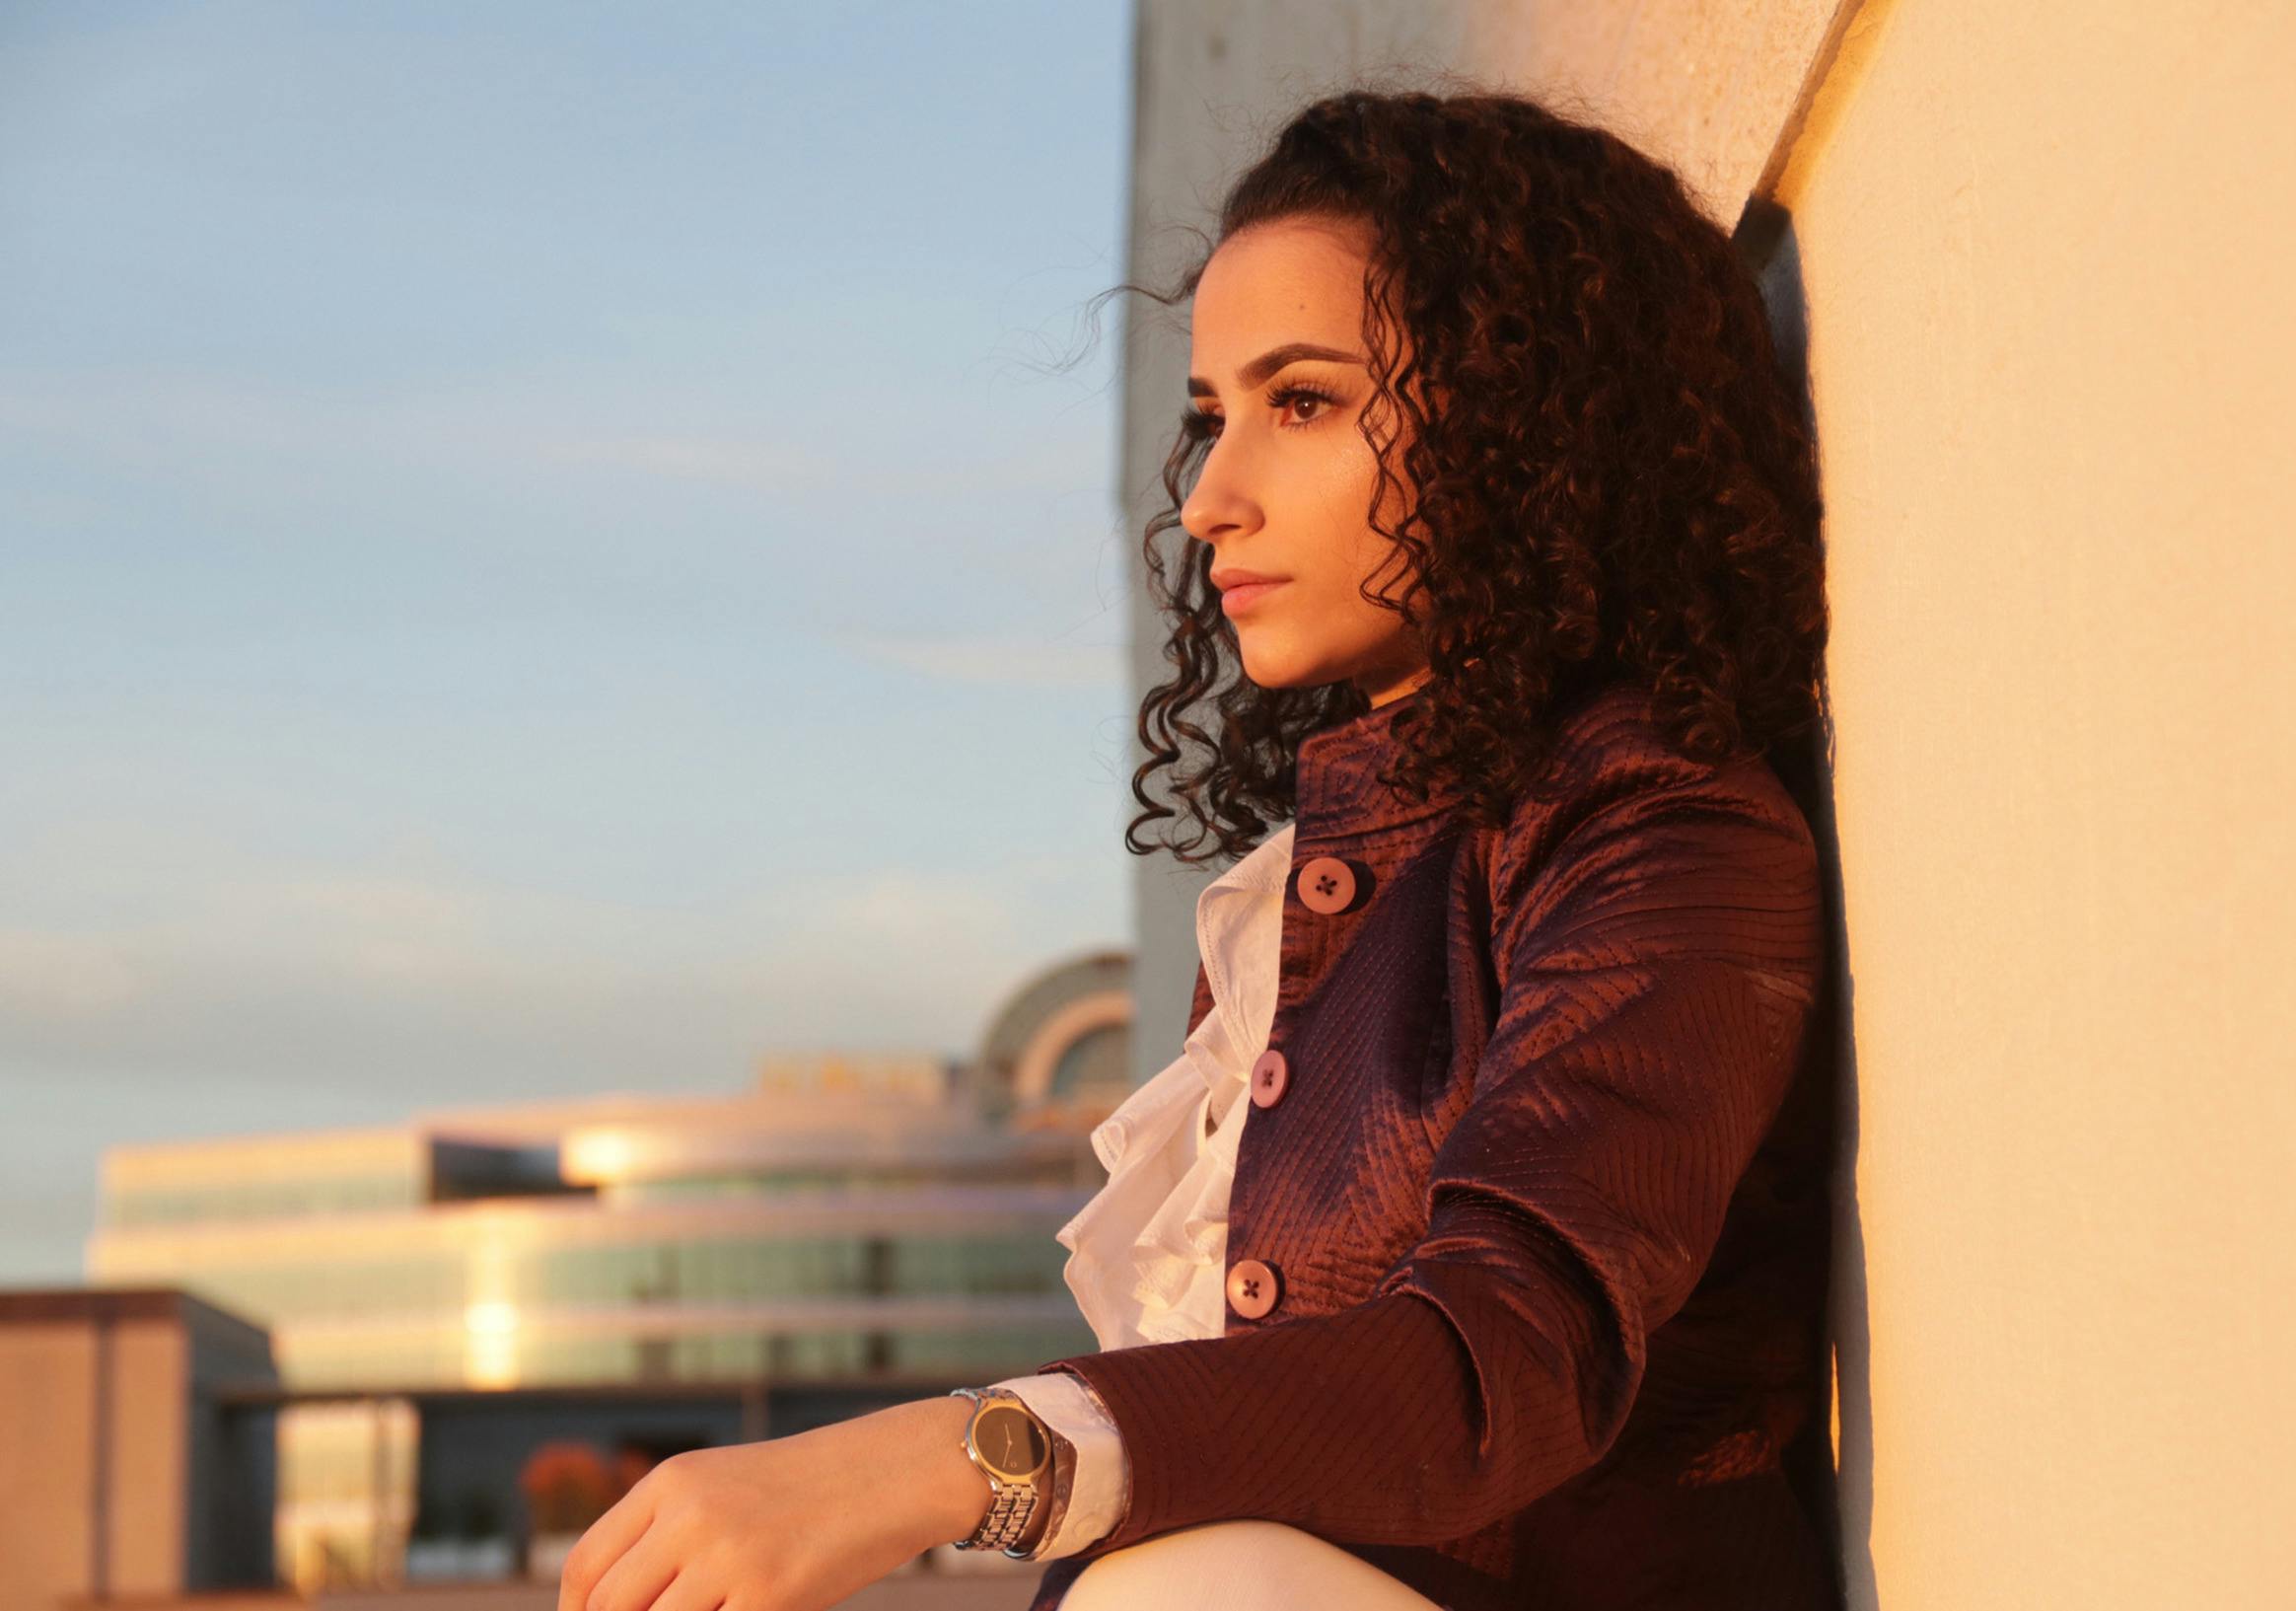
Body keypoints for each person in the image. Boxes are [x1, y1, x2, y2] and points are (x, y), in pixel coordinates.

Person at [554, 84, 1835, 1611]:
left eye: (1299, 401)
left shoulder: (1656, 829)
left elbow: (1506, 1353)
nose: (1213, 498)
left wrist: (943, 1456)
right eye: (1211, 416)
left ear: (1523, 406)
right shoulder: (1310, 901)